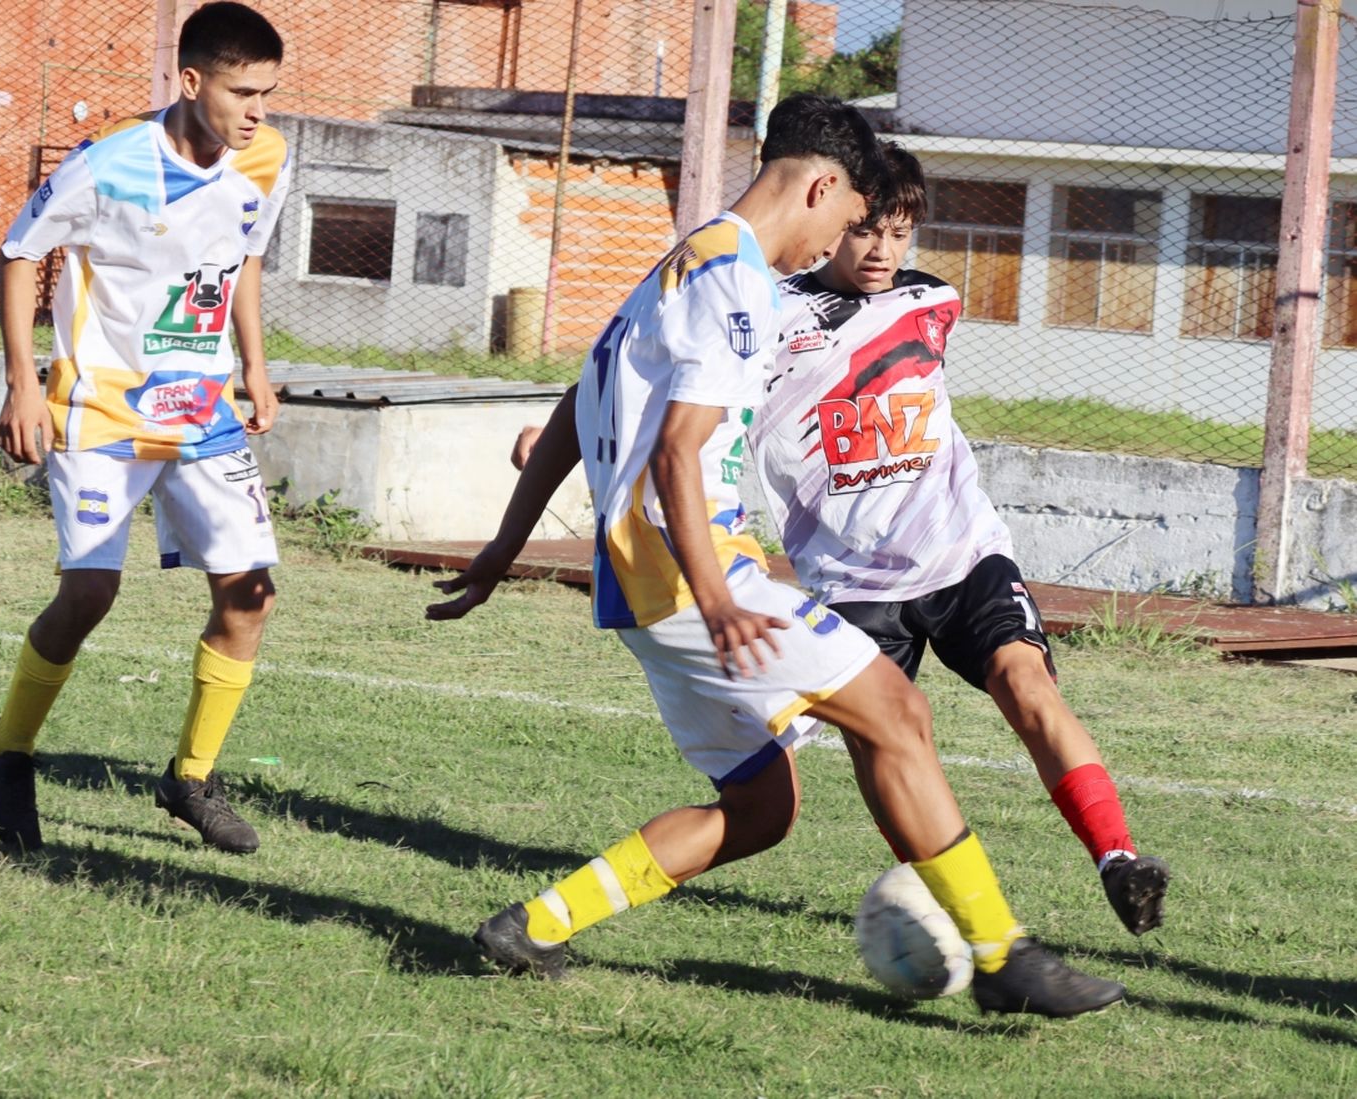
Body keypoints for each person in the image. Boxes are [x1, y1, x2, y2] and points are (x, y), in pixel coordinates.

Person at [429, 94, 1126, 1017]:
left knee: (762, 810)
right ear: (823, 186)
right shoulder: (737, 283)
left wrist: (503, 547)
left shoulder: (679, 265)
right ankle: (1002, 957)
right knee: (899, 711)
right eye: (844, 221)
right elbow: (679, 447)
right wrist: (719, 595)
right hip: (691, 576)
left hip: (639, 591)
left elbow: (574, 406)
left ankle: (535, 925)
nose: (838, 243)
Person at [749, 141, 1170, 935]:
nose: (882, 250)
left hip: (963, 553)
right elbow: (685, 377)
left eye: (901, 232)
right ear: (833, 216)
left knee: (1027, 682)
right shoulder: (773, 317)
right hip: (853, 584)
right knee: (883, 745)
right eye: (867, 229)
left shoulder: (932, 299)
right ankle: (942, 896)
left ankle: (1119, 858)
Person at [0, 0, 290, 855]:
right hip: (101, 405)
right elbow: (16, 251)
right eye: (243, 91)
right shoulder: (108, 163)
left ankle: (191, 776)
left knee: (250, 595)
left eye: (268, 92)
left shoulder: (265, 156)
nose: (258, 110)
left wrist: (255, 364)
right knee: (89, 595)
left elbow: (246, 253)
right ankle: (7, 749)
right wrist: (23, 384)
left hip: (202, 406)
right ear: (191, 83)